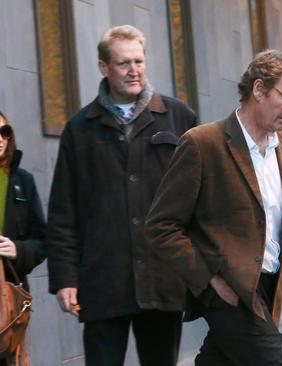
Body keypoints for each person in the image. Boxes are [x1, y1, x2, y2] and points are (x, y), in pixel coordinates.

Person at [144, 49, 282, 365]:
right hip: (232, 294)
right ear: (258, 89)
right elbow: (162, 227)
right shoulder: (202, 144)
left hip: (269, 289)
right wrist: (210, 280)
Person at [46, 25, 197, 366]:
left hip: (162, 276)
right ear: (104, 67)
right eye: (123, 63)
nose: (133, 70)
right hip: (102, 279)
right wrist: (65, 279)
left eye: (139, 61)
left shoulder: (178, 118)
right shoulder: (80, 128)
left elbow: (201, 198)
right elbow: (63, 211)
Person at [0, 111, 46, 365]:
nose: (0, 138)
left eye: (4, 132)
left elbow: (42, 241)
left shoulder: (22, 181)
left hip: (8, 299)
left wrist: (16, 249)